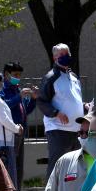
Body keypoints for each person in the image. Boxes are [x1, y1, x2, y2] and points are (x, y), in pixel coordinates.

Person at [37, 43, 83, 179]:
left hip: (76, 130)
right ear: (54, 57)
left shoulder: (74, 77)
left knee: (73, 170)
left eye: (67, 54)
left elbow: (73, 99)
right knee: (57, 166)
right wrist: (56, 113)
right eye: (61, 55)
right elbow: (41, 101)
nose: (65, 57)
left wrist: (83, 106)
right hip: (58, 130)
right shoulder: (51, 77)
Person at [0, 61, 37, 191]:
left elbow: (25, 110)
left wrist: (33, 99)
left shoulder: (16, 88)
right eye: (15, 74)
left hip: (20, 133)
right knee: (11, 167)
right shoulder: (3, 89)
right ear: (6, 74)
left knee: (19, 168)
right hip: (10, 132)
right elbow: (4, 106)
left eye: (20, 75)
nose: (18, 77)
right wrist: (19, 96)